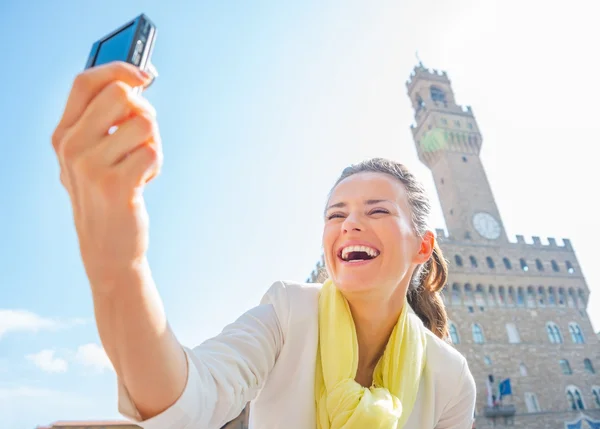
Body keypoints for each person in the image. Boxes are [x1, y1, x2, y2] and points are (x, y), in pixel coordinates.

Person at [51, 61, 476, 429]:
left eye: (377, 211)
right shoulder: (287, 311)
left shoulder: (450, 378)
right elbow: (187, 403)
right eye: (335, 214)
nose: (350, 224)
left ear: (423, 246)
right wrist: (119, 262)